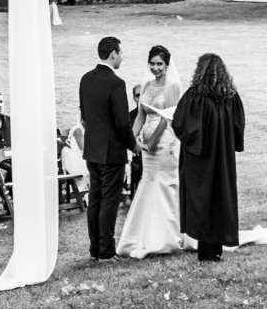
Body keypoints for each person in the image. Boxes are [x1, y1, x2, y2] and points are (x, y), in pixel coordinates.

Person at [172, 52, 244, 262]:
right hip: (222, 159)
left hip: (200, 160)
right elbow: (238, 127)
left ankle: (206, 251)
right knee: (220, 198)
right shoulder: (231, 96)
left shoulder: (195, 97)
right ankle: (216, 249)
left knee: (202, 201)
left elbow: (180, 124)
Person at [117, 43, 184, 258]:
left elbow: (169, 117)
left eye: (159, 64)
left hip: (164, 142)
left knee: (163, 185)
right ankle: (145, 235)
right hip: (146, 145)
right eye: (152, 63)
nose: (155, 68)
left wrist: (154, 140)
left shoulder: (172, 87)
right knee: (147, 184)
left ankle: (168, 237)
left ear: (167, 65)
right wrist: (132, 139)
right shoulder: (146, 86)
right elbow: (140, 116)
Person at [79, 37, 137, 260]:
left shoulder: (86, 79)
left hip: (92, 149)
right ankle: (106, 250)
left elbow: (84, 114)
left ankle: (95, 249)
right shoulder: (116, 83)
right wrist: (133, 145)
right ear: (113, 54)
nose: (121, 57)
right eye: (120, 53)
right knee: (109, 200)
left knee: (95, 198)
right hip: (111, 151)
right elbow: (122, 122)